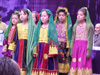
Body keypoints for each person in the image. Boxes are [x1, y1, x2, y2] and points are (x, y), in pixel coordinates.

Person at [27, 9, 58, 75]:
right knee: (38, 64)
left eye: (45, 16)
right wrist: (35, 50)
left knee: (47, 65)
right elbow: (36, 40)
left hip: (47, 49)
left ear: (49, 17)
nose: (42, 17)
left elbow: (53, 39)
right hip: (39, 49)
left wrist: (52, 51)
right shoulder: (39, 27)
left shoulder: (51, 27)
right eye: (41, 16)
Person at [6, 8, 35, 75]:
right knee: (17, 60)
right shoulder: (18, 26)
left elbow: (34, 39)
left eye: (24, 14)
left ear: (28, 16)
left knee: (25, 62)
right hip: (19, 47)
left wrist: (33, 49)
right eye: (21, 14)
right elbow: (15, 38)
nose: (21, 16)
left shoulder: (32, 26)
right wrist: (12, 49)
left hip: (27, 47)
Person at [70, 7, 94, 75]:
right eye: (78, 14)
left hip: (84, 48)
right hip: (76, 47)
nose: (78, 16)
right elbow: (72, 38)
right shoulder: (75, 26)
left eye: (81, 15)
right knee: (75, 63)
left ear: (85, 16)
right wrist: (71, 49)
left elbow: (90, 40)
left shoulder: (89, 26)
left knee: (83, 63)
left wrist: (88, 51)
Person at [55, 7, 72, 75]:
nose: (61, 17)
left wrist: (68, 48)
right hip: (56, 45)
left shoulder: (68, 26)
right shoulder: (55, 25)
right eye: (60, 15)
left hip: (64, 46)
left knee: (64, 61)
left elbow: (70, 38)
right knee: (56, 60)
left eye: (63, 15)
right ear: (57, 16)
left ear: (66, 16)